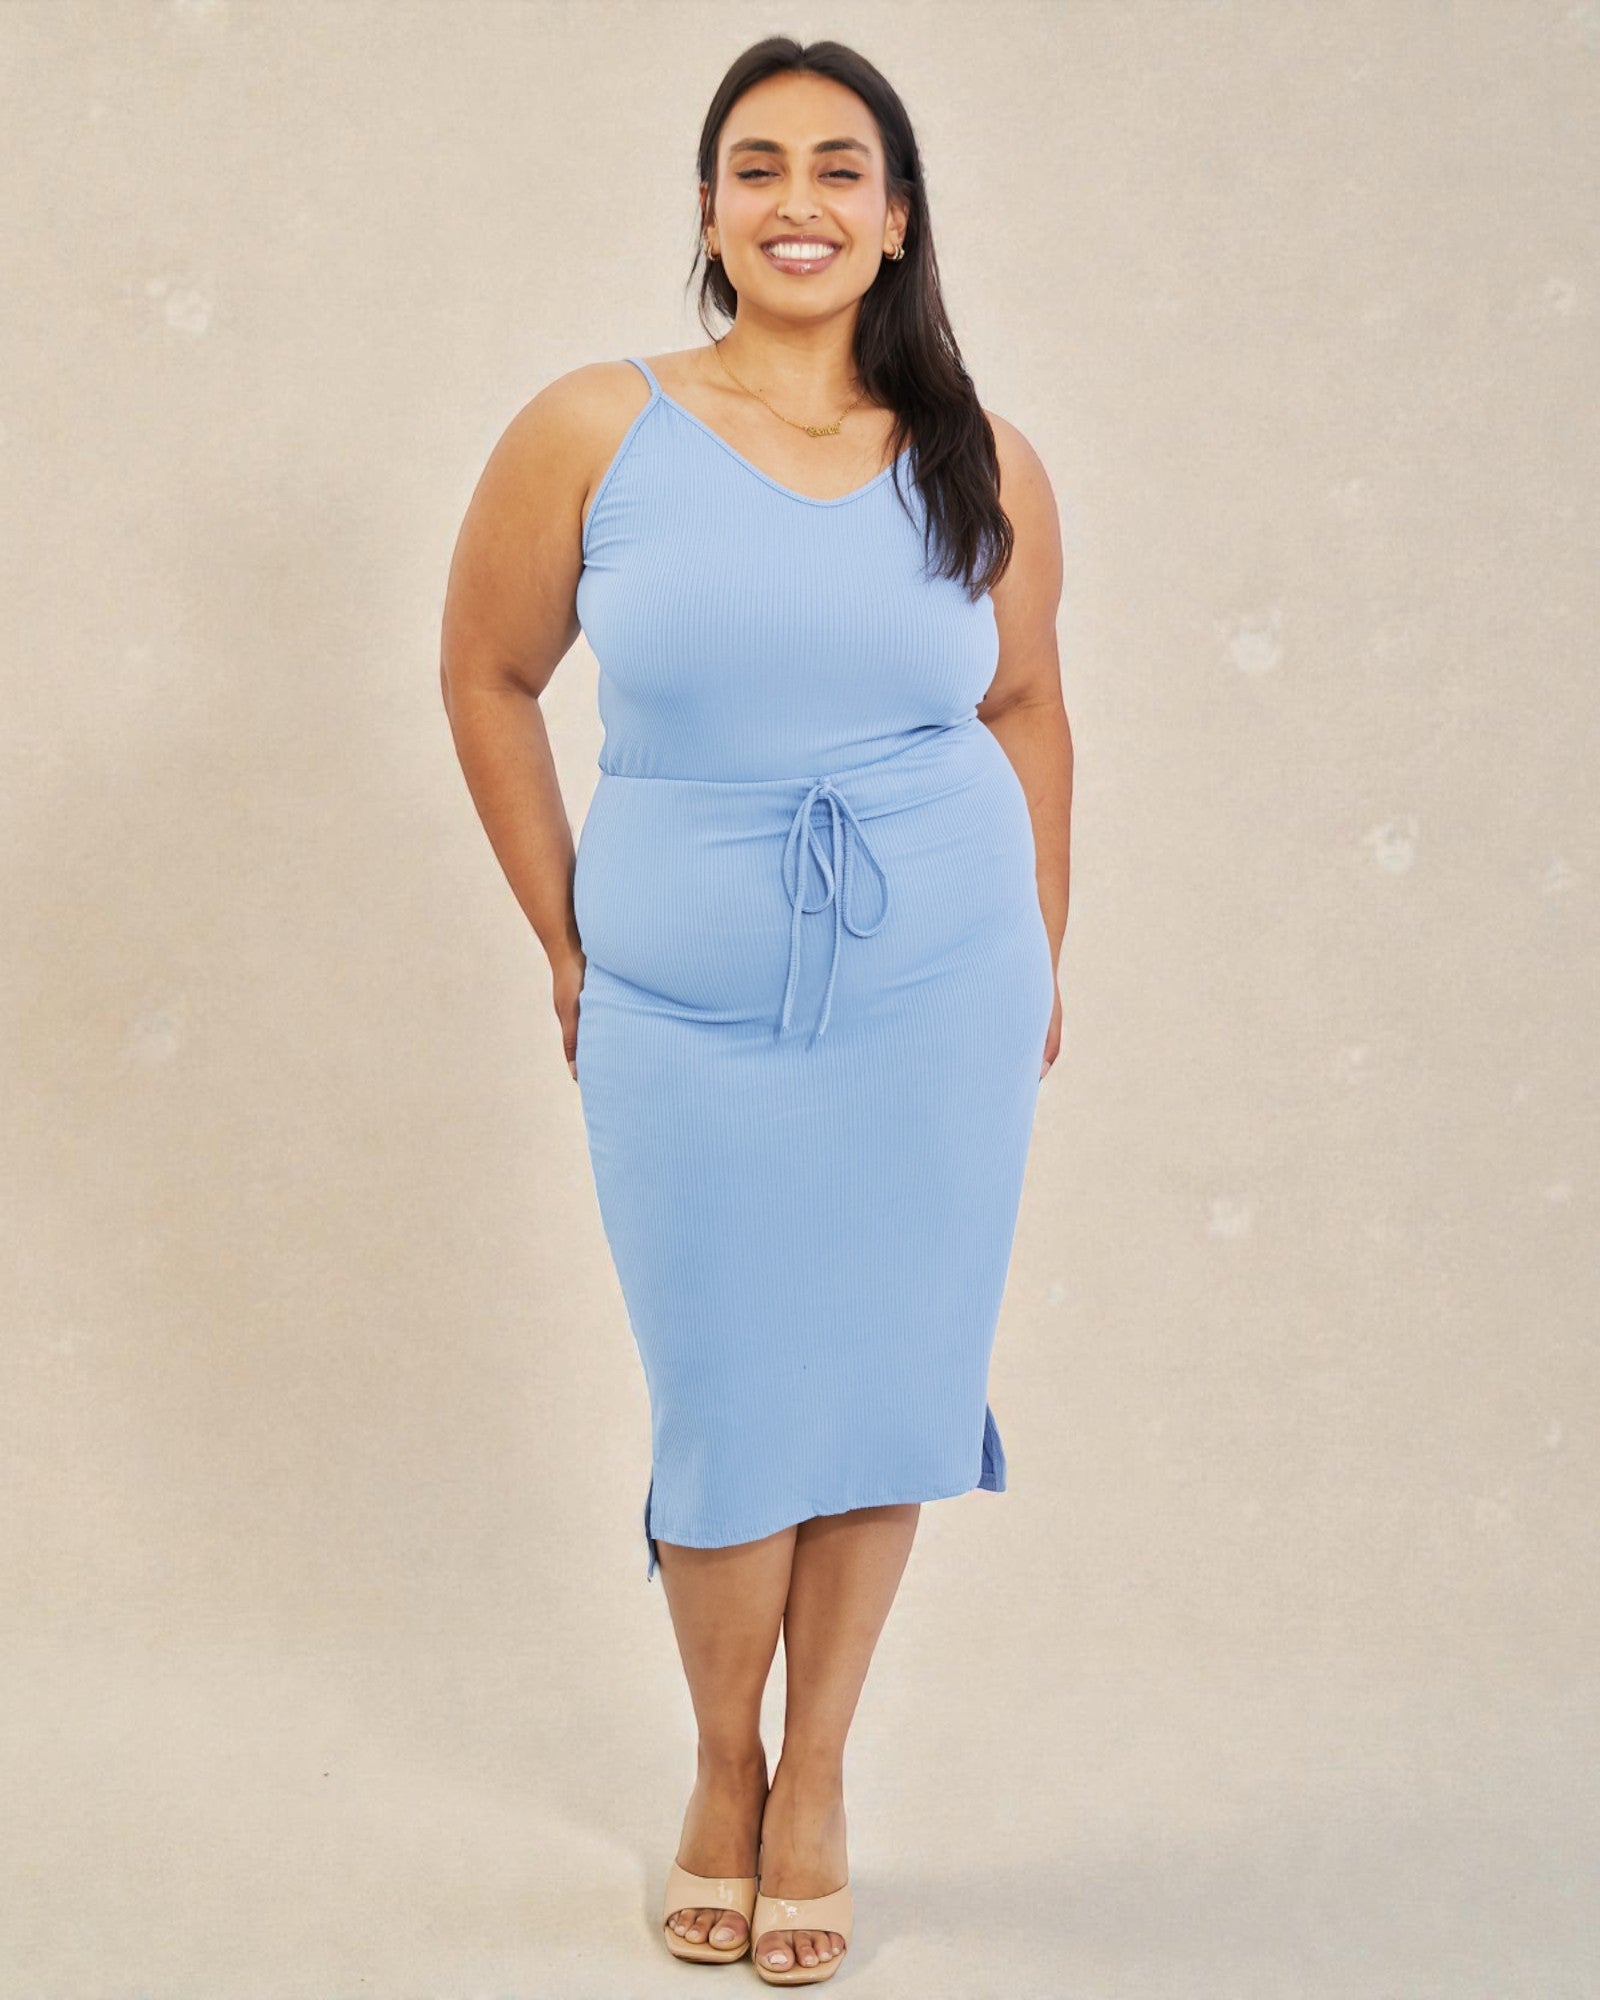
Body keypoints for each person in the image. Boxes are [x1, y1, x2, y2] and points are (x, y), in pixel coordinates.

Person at [440, 34, 1072, 1987]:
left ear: (892, 221)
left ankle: (816, 1785)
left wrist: (1037, 954)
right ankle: (721, 1761)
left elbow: (1026, 705)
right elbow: (482, 670)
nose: (795, 196)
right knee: (727, 1403)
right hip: (684, 1001)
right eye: (754, 164)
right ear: (711, 212)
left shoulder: (980, 454)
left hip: (935, 990)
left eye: (837, 166)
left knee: (881, 1388)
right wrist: (566, 934)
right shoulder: (589, 426)